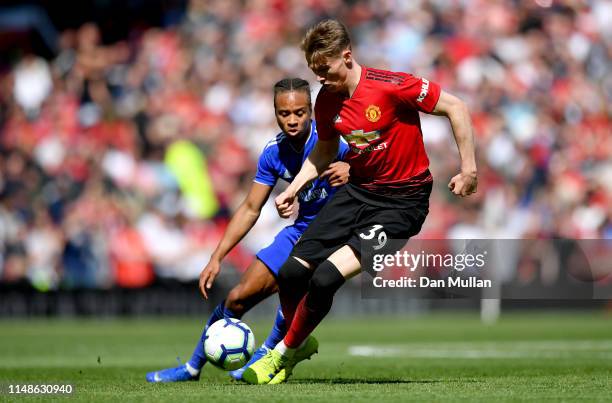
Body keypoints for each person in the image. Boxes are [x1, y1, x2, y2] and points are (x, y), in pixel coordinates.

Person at [243, 19, 478, 385]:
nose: (320, 77)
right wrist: (293, 188)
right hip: (357, 194)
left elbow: (456, 107)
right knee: (291, 273)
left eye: (325, 68)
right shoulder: (327, 101)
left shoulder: (392, 86)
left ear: (347, 56)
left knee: (323, 279)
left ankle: (282, 353)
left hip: (403, 203)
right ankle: (298, 339)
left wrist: (469, 169)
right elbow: (323, 151)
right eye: (314, 70)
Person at [146, 77, 350, 382]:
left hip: (338, 235)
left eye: (299, 112)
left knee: (292, 293)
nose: (292, 120)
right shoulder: (273, 153)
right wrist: (217, 256)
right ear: (275, 112)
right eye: (284, 113)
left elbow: (377, 169)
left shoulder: (336, 141)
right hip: (300, 232)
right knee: (237, 298)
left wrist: (353, 170)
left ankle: (266, 357)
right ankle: (191, 368)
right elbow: (250, 208)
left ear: (311, 111)